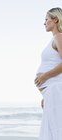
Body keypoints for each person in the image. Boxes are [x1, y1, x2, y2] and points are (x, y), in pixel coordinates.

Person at [34, 7, 62, 140]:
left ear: (56, 20)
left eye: (46, 19)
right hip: (52, 92)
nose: (44, 23)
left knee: (57, 130)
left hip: (56, 90)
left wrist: (45, 76)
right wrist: (47, 95)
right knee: (51, 130)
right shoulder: (54, 39)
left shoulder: (60, 37)